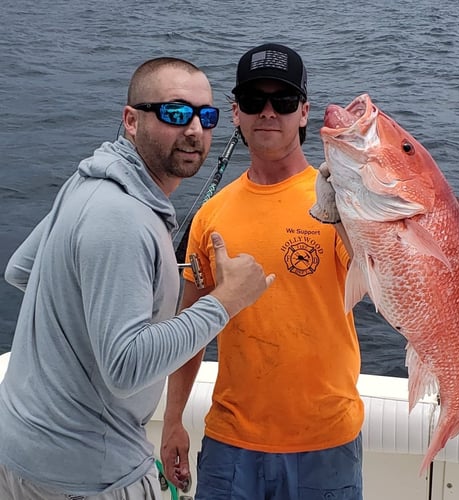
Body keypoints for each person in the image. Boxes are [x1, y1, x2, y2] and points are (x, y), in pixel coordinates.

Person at [0, 57, 274, 500]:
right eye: (174, 113)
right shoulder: (124, 218)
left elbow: (22, 269)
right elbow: (126, 368)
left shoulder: (87, 179)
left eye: (207, 117)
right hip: (88, 476)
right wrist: (225, 301)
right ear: (131, 120)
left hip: (21, 454)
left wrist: (126, 283)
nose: (194, 130)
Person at [161, 43, 364, 499]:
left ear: (305, 113)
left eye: (284, 101)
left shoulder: (339, 203)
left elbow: (377, 283)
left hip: (327, 442)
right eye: (254, 102)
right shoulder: (211, 216)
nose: (268, 113)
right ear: (235, 114)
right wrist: (173, 420)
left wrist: (355, 203)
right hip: (231, 445)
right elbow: (189, 331)